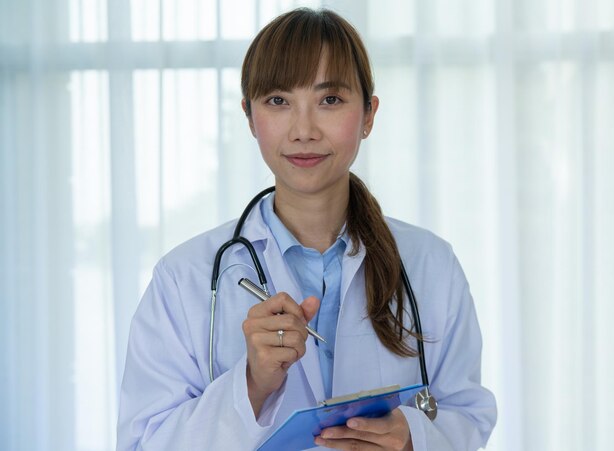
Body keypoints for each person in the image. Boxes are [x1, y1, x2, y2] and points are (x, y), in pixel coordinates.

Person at [117, 7, 496, 451]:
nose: (303, 130)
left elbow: (467, 416)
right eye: (278, 101)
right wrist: (252, 384)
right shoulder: (184, 277)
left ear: (369, 114)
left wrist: (414, 438)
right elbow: (144, 442)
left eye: (330, 100)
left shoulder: (431, 264)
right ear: (249, 116)